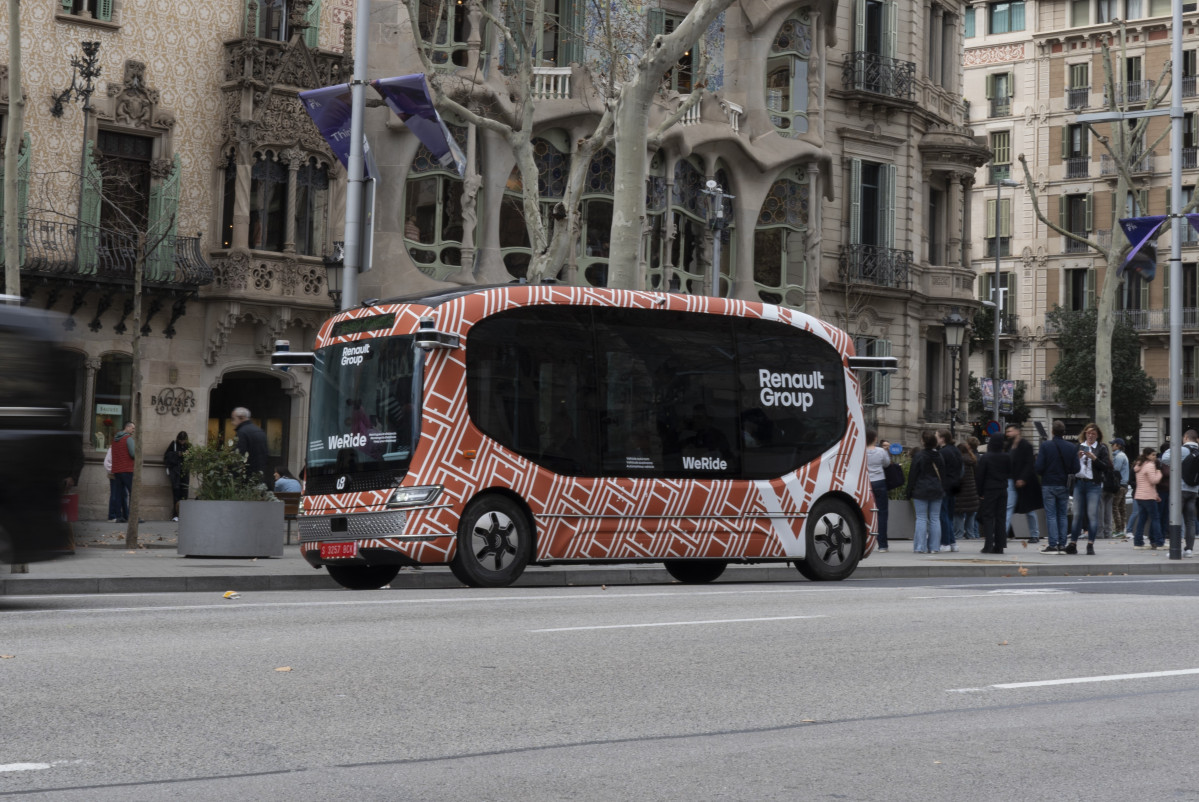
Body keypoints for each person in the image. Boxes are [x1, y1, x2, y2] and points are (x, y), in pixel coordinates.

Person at [1035, 419, 1081, 554]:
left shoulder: (1045, 446)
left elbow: (1038, 467)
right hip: (1063, 484)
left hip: (1048, 483)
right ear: (1064, 432)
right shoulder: (1071, 447)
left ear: (1052, 431)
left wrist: (1045, 473)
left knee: (1051, 515)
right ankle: (1062, 544)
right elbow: (1076, 468)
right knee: (1062, 515)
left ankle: (1052, 544)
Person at [1068, 422, 1112, 555]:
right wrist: (1078, 457)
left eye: (1093, 433)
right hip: (1079, 483)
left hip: (1093, 485)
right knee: (1077, 515)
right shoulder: (1078, 447)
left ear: (1097, 435)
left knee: (1092, 515)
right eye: (1088, 433)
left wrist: (1094, 458)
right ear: (1084, 434)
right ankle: (1073, 543)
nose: (1090, 436)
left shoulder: (1102, 448)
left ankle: (1090, 544)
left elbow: (1106, 467)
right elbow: (1070, 466)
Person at [904, 431, 945, 554]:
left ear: (923, 442)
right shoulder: (939, 456)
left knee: (921, 518)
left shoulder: (919, 456)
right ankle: (934, 547)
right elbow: (943, 474)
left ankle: (920, 547)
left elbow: (912, 475)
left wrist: (909, 491)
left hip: (921, 489)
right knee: (935, 518)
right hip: (937, 490)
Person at [1160, 429, 1199, 558]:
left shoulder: (1181, 450)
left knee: (1175, 519)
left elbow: (1164, 458)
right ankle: (1189, 549)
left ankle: (1175, 547)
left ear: (1186, 438)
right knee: (1190, 521)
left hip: (1179, 489)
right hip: (1193, 490)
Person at [1004, 423, 1042, 544]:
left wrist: (1023, 478)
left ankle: (1034, 534)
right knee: (1008, 507)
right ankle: (1002, 533)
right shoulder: (1008, 446)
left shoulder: (1026, 445)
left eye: (1010, 431)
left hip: (1025, 482)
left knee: (1029, 510)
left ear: (1017, 431)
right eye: (1007, 432)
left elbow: (1029, 463)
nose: (1008, 434)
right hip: (1011, 480)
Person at [976, 434, 1012, 554]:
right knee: (1001, 517)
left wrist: (980, 492)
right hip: (1002, 489)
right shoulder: (1007, 457)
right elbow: (1010, 472)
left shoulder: (986, 457)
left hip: (989, 490)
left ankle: (988, 544)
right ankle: (1000, 545)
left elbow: (980, 476)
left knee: (988, 517)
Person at [1131, 446, 1164, 549]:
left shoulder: (1139, 465)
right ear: (1147, 455)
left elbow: (1145, 482)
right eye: (1153, 455)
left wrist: (1156, 495)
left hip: (1140, 495)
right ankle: (1159, 542)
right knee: (1155, 518)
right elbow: (1153, 481)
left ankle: (1138, 542)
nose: (1155, 457)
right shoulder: (1150, 465)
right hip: (1148, 496)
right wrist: (1159, 472)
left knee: (1142, 519)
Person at [865, 430, 891, 552]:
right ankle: (882, 545)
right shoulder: (881, 451)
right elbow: (887, 464)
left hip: (866, 482)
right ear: (875, 438)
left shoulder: (861, 451)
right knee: (882, 513)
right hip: (879, 481)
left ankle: (865, 542)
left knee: (864, 512)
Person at [937, 429, 962, 552]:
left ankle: (945, 542)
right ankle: (952, 542)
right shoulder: (956, 450)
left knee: (943, 514)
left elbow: (940, 470)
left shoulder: (942, 452)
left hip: (945, 485)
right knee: (950, 515)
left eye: (937, 436)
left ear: (942, 438)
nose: (936, 438)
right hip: (955, 485)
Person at [231, 407, 271, 483]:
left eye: (233, 419)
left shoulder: (242, 432)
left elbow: (238, 455)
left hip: (246, 475)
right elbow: (266, 454)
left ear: (241, 418)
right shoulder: (260, 431)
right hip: (259, 474)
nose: (232, 423)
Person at [109, 422, 136, 523]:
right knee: (133, 493)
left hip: (117, 470)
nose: (133, 430)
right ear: (127, 427)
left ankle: (119, 516)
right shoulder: (128, 438)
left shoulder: (114, 440)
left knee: (119, 493)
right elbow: (133, 454)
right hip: (127, 469)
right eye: (132, 428)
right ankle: (133, 516)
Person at [954, 441, 980, 541]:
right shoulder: (973, 460)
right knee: (971, 513)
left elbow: (959, 476)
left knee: (958, 513)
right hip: (972, 490)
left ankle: (959, 534)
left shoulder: (959, 460)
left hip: (961, 490)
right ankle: (970, 534)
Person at [163, 431, 190, 522]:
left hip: (185, 472)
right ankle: (175, 514)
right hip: (175, 473)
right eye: (180, 440)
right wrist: (178, 454)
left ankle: (183, 514)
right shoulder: (173, 444)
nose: (182, 442)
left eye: (183, 441)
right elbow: (166, 456)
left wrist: (188, 454)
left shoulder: (188, 445)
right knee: (176, 494)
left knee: (184, 493)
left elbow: (193, 457)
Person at [1110, 438, 1131, 536]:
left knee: (1115, 507)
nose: (1111, 446)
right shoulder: (1124, 455)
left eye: (1113, 444)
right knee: (1122, 508)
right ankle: (1122, 530)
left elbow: (1115, 471)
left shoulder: (1118, 457)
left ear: (1117, 445)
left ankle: (1118, 530)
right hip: (1124, 485)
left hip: (1119, 485)